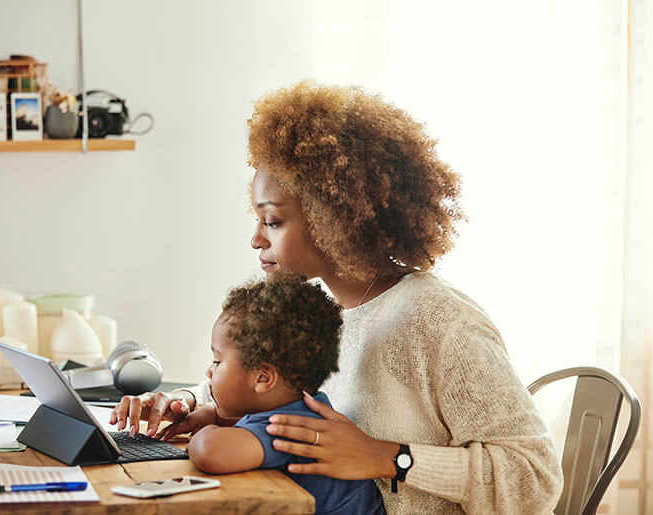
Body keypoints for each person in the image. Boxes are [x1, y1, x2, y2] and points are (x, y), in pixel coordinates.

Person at [110, 81, 563, 514]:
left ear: (334, 216)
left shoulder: (438, 320)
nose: (255, 240)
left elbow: (535, 479)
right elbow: (271, 387)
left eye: (272, 221)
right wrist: (189, 403)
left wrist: (390, 458)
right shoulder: (324, 313)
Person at [177, 273, 385, 514]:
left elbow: (210, 452)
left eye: (217, 361)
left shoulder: (291, 428)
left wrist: (206, 434)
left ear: (263, 378)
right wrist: (216, 418)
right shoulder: (310, 407)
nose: (209, 372)